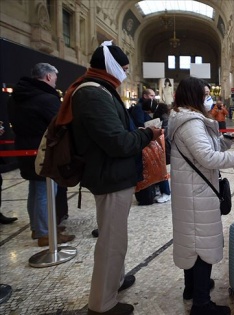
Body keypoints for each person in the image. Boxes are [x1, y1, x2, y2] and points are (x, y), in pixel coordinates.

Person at [61, 41, 162, 315]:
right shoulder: (92, 94)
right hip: (109, 176)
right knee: (111, 241)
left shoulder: (100, 89)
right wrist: (146, 135)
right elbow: (117, 142)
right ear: (111, 67)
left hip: (112, 174)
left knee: (117, 236)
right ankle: (102, 303)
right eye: (124, 68)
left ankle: (115, 280)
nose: (125, 73)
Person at [167, 77, 234, 315]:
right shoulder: (191, 123)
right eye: (205, 94)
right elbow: (208, 159)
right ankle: (202, 304)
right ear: (194, 96)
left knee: (191, 241)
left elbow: (205, 149)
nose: (209, 98)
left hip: (191, 192)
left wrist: (225, 140)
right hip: (198, 194)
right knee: (201, 244)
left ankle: (192, 288)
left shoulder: (181, 118)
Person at [7, 63, 75, 246]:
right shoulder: (46, 99)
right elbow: (60, 124)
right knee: (45, 191)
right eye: (54, 78)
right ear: (48, 77)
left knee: (35, 190)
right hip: (44, 150)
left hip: (24, 147)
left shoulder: (16, 97)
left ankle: (39, 228)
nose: (55, 82)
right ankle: (46, 233)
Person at [153, 102, 172, 203]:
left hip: (162, 145)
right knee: (160, 168)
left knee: (161, 168)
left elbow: (166, 134)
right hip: (163, 145)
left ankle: (166, 192)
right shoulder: (165, 117)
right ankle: (161, 189)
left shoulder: (162, 118)